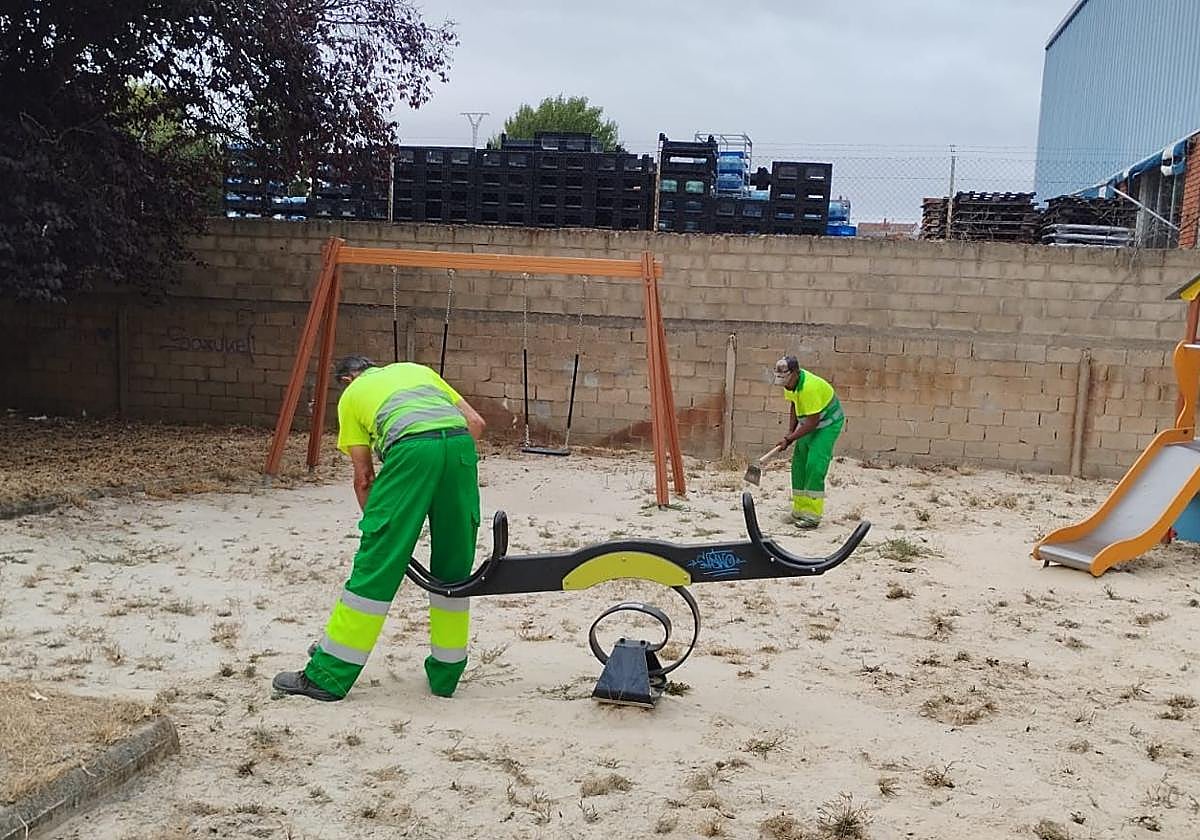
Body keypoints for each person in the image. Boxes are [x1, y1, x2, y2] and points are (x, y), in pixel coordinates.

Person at [273, 354, 487, 702]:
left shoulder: (352, 397)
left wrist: (382, 528)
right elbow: (475, 422)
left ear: (347, 380)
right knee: (454, 567)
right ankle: (446, 676)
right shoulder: (418, 370)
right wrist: (445, 465)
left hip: (411, 452)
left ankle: (328, 675)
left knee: (375, 567)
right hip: (460, 449)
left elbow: (364, 477)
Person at [772, 354, 845, 528]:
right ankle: (799, 510)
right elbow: (794, 405)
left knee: (814, 465)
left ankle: (812, 516)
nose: (785, 385)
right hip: (809, 423)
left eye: (786, 379)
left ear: (795, 372)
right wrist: (789, 433)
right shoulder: (790, 384)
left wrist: (789, 438)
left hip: (827, 424)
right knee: (799, 463)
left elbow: (813, 422)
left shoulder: (809, 388)